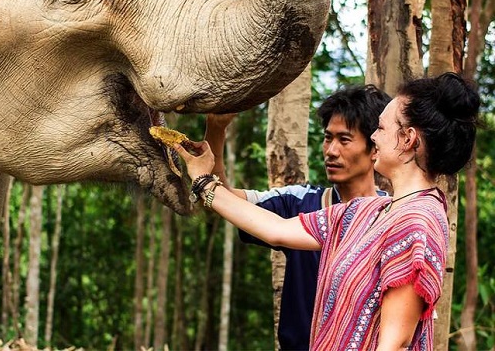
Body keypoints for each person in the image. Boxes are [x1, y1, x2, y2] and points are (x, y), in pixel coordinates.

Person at [175, 72, 480, 350]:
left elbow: (395, 344)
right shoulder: (368, 211)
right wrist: (203, 181)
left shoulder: (417, 222)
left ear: (409, 138)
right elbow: (276, 228)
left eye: (382, 128)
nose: (374, 136)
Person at [204, 84, 391, 350]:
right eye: (328, 138)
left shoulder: (393, 216)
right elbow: (223, 200)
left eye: (344, 139)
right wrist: (216, 130)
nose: (331, 151)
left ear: (374, 148)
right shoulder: (301, 202)